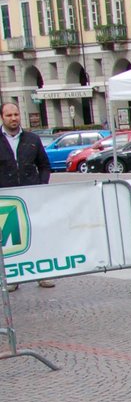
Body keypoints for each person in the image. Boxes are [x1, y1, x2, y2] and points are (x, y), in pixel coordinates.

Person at [0, 100, 53, 291]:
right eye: (9, 115)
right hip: (7, 200)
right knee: (13, 240)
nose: (13, 119)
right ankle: (14, 277)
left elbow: (45, 166)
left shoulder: (32, 139)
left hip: (32, 196)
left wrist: (41, 185)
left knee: (37, 234)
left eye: (16, 115)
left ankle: (42, 275)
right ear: (2, 117)